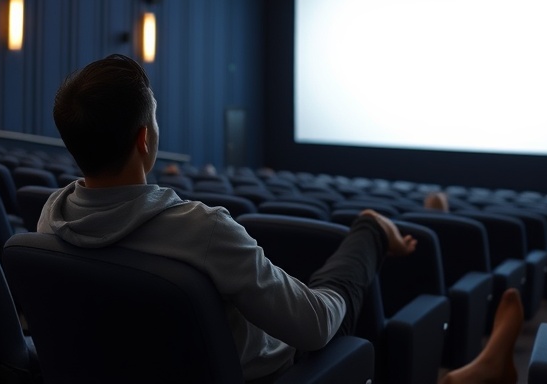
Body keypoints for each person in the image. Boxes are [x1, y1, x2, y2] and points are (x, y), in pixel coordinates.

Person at [38, 54, 521, 384]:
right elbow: (312, 328)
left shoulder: (50, 221)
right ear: (145, 139)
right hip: (271, 373)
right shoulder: (200, 229)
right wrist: (333, 296)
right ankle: (375, 233)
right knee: (340, 284)